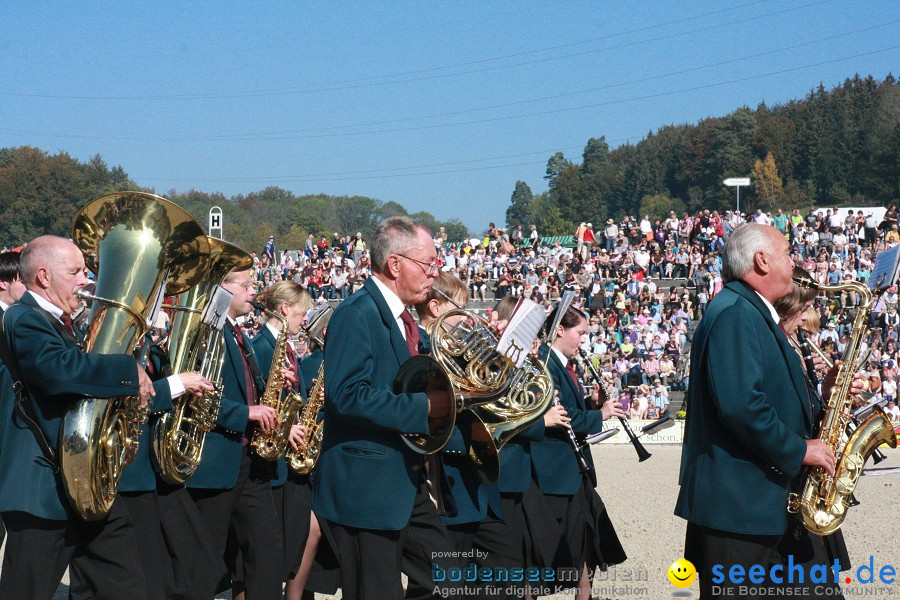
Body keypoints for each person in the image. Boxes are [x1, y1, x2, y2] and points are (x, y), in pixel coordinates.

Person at [674, 224, 848, 598]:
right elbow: (742, 406)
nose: (794, 262)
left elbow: (768, 398)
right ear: (762, 260)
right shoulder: (736, 312)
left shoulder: (748, 310)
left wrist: (822, 400)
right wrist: (801, 450)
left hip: (760, 506)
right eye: (788, 253)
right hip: (741, 513)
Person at [310, 216, 460, 600]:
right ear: (396, 264)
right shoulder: (356, 312)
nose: (434, 273)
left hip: (404, 484)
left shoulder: (405, 318)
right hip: (366, 490)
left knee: (451, 577)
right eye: (427, 264)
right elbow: (345, 395)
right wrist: (423, 407)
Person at [0, 235, 154, 600]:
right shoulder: (24, 318)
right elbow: (58, 371)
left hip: (84, 484)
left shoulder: (66, 323)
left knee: (123, 587)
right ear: (42, 276)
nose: (86, 280)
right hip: (41, 491)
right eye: (76, 272)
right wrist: (128, 372)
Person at [184, 267, 283, 599]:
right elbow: (196, 394)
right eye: (246, 285)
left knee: (267, 547)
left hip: (247, 458)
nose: (253, 291)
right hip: (215, 460)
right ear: (221, 290)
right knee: (204, 558)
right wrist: (246, 412)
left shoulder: (237, 333)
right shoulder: (206, 330)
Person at [532, 304, 627, 599]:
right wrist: (601, 415)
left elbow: (572, 411)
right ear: (560, 330)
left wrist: (592, 404)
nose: (584, 339)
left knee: (590, 534)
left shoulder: (562, 364)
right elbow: (561, 416)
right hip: (556, 469)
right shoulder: (547, 364)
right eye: (580, 332)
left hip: (573, 467)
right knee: (545, 546)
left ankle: (583, 595)